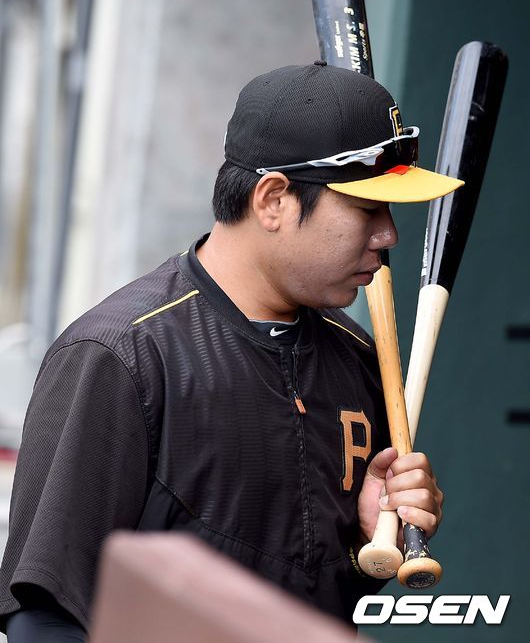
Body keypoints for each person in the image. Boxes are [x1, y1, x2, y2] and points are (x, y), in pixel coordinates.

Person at [0, 61, 458, 640]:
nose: (388, 234)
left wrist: (368, 545)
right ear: (273, 200)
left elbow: (308, 600)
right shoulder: (122, 355)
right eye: (367, 209)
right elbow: (45, 616)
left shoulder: (356, 357)